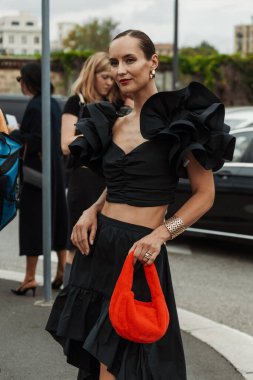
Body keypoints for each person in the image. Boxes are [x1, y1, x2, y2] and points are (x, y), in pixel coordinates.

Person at [46, 30, 235, 379]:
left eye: (130, 59)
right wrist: (92, 209)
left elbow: (205, 194)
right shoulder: (112, 122)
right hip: (99, 248)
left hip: (139, 252)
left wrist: (162, 234)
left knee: (124, 364)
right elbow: (116, 183)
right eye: (114, 62)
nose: (120, 69)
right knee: (98, 362)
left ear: (153, 63)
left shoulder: (182, 125)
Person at [61, 52, 132, 287]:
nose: (109, 82)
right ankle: (69, 295)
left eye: (112, 78)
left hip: (110, 179)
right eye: (104, 77)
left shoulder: (117, 104)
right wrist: (96, 137)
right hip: (83, 179)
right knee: (77, 242)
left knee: (106, 241)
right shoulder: (77, 102)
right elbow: (65, 144)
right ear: (92, 74)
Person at [10, 62, 68, 296]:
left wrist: (14, 132)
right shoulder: (52, 103)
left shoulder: (35, 106)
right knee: (58, 220)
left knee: (32, 224)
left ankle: (30, 277)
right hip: (55, 172)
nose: (20, 84)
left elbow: (34, 141)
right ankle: (62, 270)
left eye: (21, 80)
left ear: (29, 81)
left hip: (36, 176)